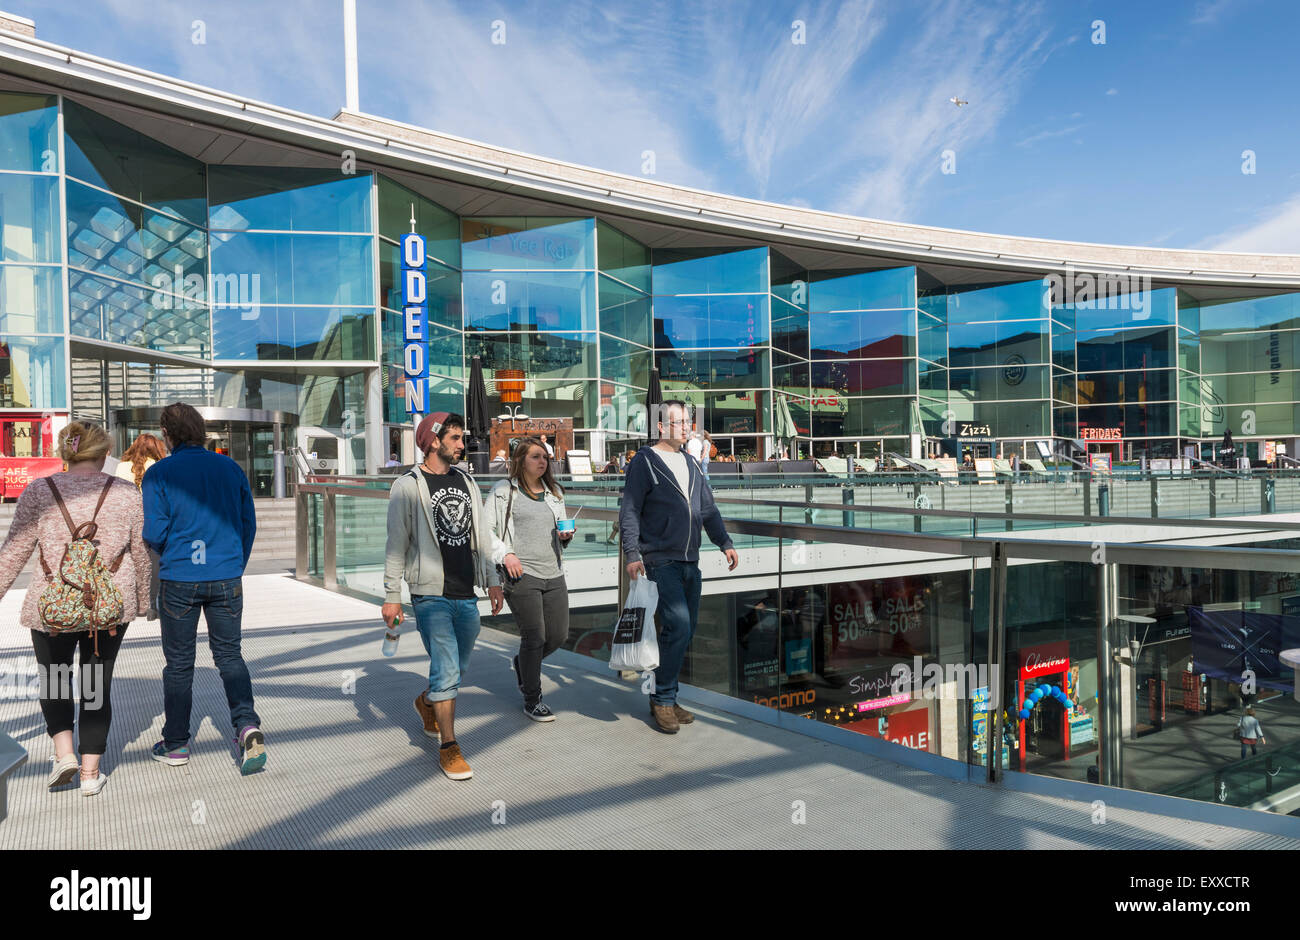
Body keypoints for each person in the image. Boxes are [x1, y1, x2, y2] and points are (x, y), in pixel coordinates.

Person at [0, 421, 151, 796]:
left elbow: (15, 551)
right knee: (96, 686)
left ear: (66, 453)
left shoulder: (39, 490)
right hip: (107, 608)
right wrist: (146, 600)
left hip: (51, 608)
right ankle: (89, 773)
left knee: (53, 679)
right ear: (104, 454)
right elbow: (140, 554)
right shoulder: (127, 493)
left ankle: (64, 753)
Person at [143, 402, 265, 775]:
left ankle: (177, 743)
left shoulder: (159, 474)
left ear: (167, 434)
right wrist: (233, 563)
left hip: (180, 578)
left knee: (179, 664)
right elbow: (248, 523)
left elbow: (154, 534)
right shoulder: (230, 468)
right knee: (230, 655)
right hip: (226, 575)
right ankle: (246, 725)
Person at [381, 412, 504, 780]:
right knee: (448, 666)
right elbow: (395, 544)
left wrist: (493, 579)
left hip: (466, 591)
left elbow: (481, 535)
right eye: (454, 438)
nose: (461, 444)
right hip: (429, 593)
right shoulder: (407, 486)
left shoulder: (466, 481)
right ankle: (449, 747)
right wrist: (392, 595)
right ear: (433, 441)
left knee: (458, 666)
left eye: (460, 438)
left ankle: (427, 700)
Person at [619, 400, 739, 733]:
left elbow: (708, 510)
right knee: (680, 625)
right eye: (679, 422)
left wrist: (724, 542)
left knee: (683, 630)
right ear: (661, 426)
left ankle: (666, 695)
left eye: (688, 422)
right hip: (660, 558)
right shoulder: (646, 462)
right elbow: (629, 510)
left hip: (691, 560)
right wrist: (632, 553)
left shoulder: (690, 462)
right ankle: (662, 700)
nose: (687, 427)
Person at [488, 437, 575, 721]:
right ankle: (532, 698)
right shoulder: (504, 492)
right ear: (520, 460)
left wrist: (565, 537)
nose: (543, 461)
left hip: (555, 573)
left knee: (558, 635)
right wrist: (506, 554)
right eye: (536, 456)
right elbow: (485, 531)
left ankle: (523, 664)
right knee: (534, 637)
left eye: (545, 457)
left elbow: (559, 534)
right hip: (521, 574)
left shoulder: (554, 492)